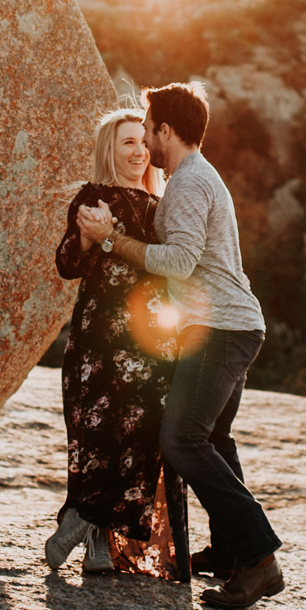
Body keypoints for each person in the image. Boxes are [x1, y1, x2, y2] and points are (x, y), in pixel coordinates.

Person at [76, 81, 286, 610]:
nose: (145, 140)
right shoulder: (193, 179)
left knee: (183, 441)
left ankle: (260, 559)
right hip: (231, 324)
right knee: (213, 437)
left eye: (149, 129)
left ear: (167, 130)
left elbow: (179, 261)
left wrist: (113, 241)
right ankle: (235, 551)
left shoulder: (190, 183)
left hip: (219, 329)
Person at [45, 107, 190, 581]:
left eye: (142, 141)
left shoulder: (162, 203)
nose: (139, 150)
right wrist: (89, 240)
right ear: (110, 149)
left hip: (152, 341)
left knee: (142, 441)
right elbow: (67, 263)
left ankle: (84, 520)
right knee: (98, 438)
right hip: (100, 338)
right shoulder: (94, 197)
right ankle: (96, 544)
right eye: (127, 142)